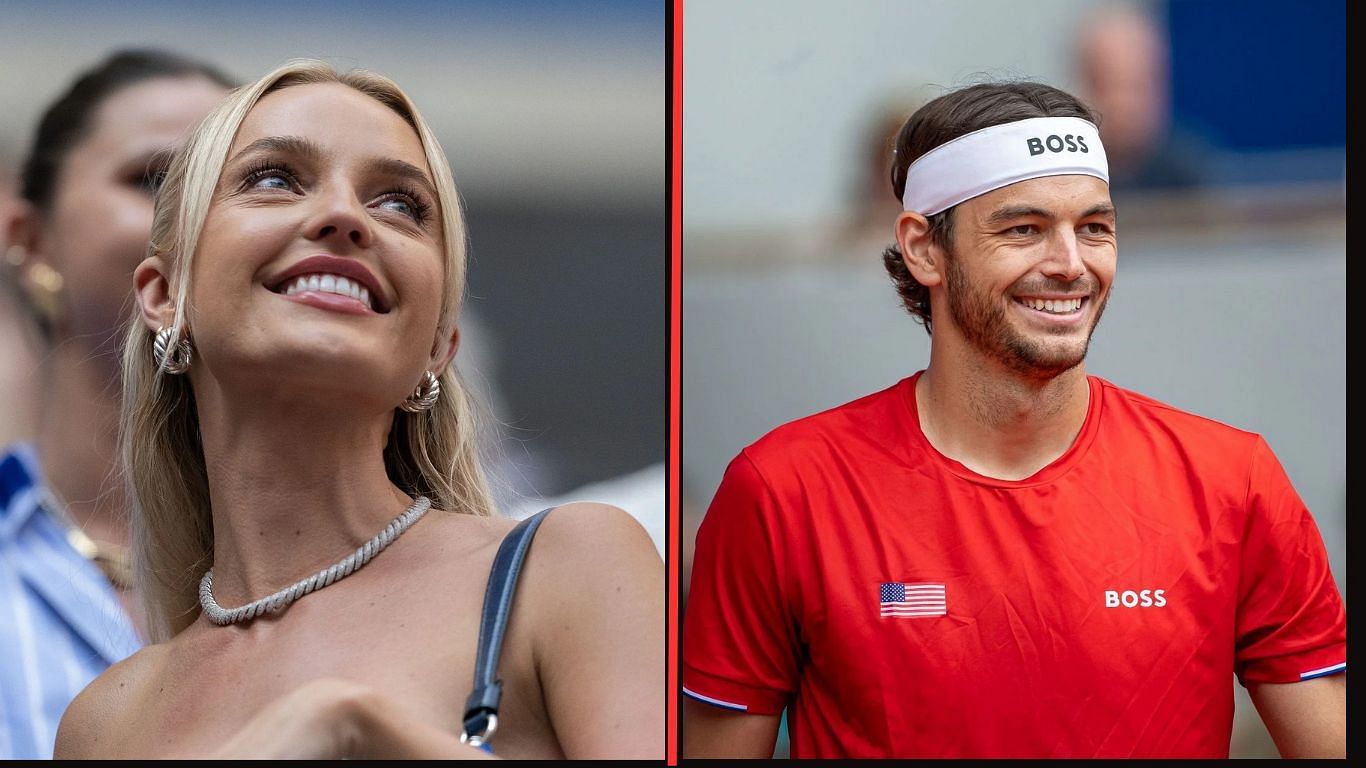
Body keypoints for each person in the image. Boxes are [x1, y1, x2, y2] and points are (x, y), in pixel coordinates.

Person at [682, 81, 1344, 759]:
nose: (1070, 264)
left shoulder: (1232, 481)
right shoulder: (784, 491)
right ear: (924, 249)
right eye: (1024, 229)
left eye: (1094, 228)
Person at [52, 59, 663, 760]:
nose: (344, 217)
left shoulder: (563, 568)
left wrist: (353, 727)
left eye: (401, 204)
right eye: (274, 179)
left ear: (438, 346)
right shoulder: (106, 721)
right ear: (164, 295)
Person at [0, 50, 233, 760]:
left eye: (251, 185)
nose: (202, 218)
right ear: (31, 241)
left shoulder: (402, 575)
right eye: (157, 179)